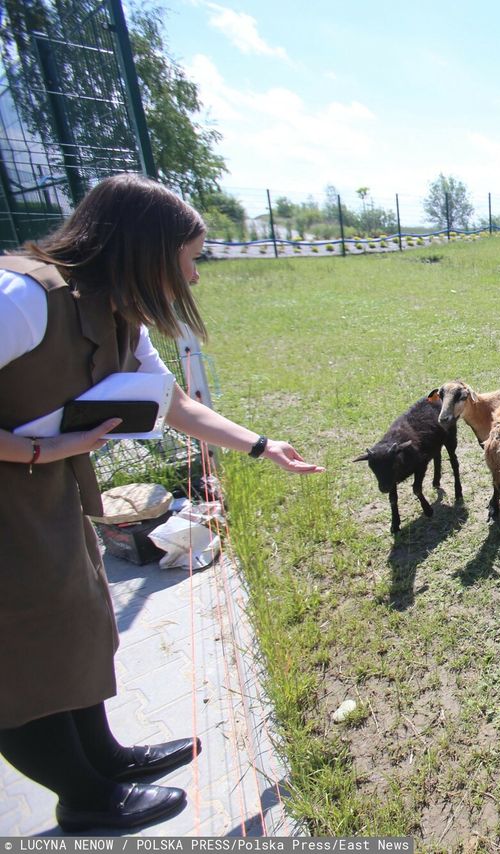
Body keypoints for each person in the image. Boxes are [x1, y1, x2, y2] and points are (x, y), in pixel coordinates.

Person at [0, 173, 323, 833]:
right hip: (17, 496)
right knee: (20, 653)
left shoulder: (114, 308)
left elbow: (171, 403)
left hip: (46, 496)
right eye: (190, 259)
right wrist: (31, 453)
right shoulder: (21, 301)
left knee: (77, 621)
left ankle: (106, 760)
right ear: (144, 251)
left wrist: (262, 445)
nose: (195, 277)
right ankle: (83, 797)